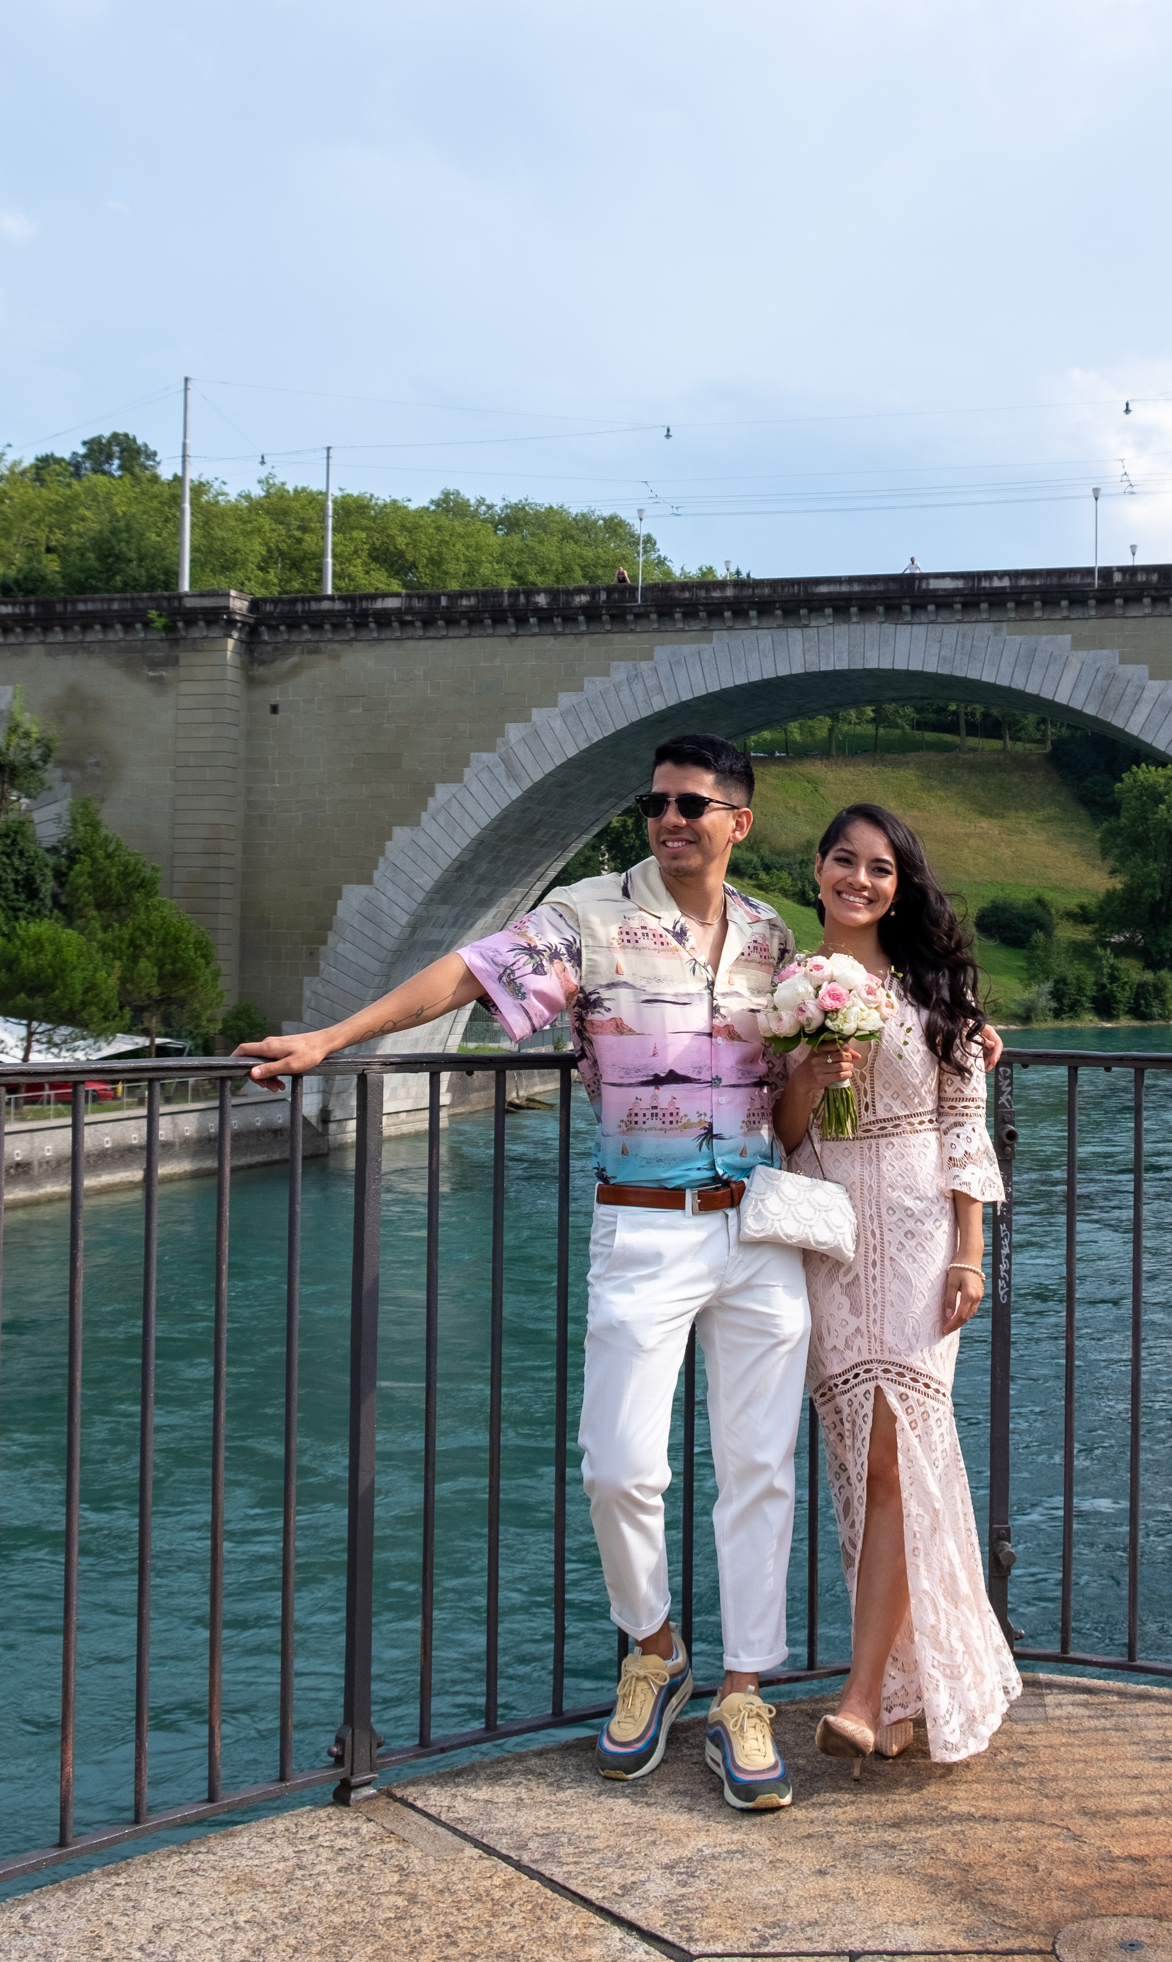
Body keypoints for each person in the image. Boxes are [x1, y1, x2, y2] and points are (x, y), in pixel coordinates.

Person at [237, 734, 812, 1812]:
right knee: (618, 1466)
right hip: (643, 1227)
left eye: (692, 804)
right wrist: (337, 1036)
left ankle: (745, 1692)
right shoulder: (588, 916)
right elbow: (466, 972)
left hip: (760, 1230)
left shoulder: (772, 935)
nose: (669, 818)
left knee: (759, 1469)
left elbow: (796, 1082)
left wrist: (938, 1039)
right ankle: (655, 1648)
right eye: (656, 803)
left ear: (738, 821)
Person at [772, 803, 1020, 1772]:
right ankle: (907, 1693)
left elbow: (963, 1125)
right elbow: (784, 1131)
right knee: (862, 1463)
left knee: (896, 1453)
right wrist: (809, 1067)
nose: (859, 880)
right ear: (818, 869)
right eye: (844, 861)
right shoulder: (784, 984)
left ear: (898, 885)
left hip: (919, 1236)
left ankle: (861, 1695)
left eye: (879, 868)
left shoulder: (940, 989)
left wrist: (970, 1249)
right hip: (831, 1235)